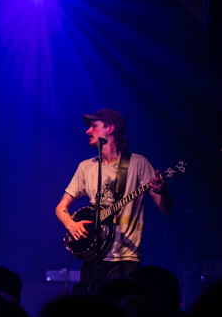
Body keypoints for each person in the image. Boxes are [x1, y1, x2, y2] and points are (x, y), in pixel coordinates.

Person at [55, 108, 172, 286]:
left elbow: (165, 208)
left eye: (94, 126)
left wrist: (162, 189)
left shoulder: (137, 163)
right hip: (92, 256)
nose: (88, 131)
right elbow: (60, 207)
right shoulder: (86, 167)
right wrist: (71, 224)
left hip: (125, 258)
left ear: (110, 129)